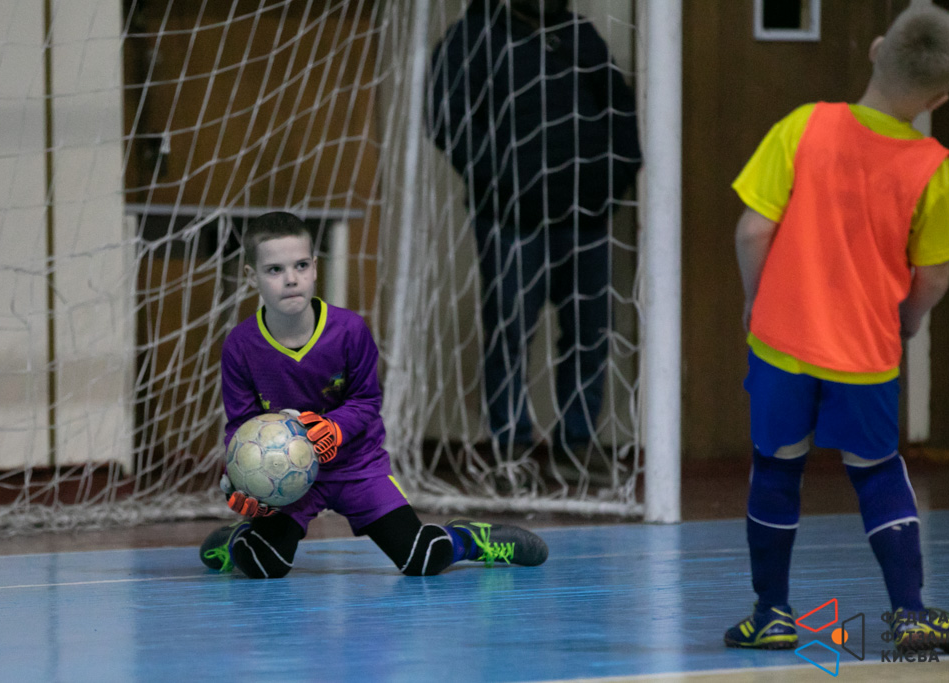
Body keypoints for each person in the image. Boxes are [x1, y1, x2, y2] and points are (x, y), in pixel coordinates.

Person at [725, 6, 949, 654]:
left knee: (776, 467)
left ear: (875, 50)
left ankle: (771, 613)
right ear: (939, 98)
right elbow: (934, 276)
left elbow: (753, 230)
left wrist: (755, 299)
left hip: (782, 344)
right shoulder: (931, 167)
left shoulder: (804, 125)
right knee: (877, 472)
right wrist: (908, 321)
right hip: (865, 352)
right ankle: (910, 613)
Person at [199, 211, 548, 578]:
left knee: (422, 558)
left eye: (301, 265)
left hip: (356, 466)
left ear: (315, 267)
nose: (291, 279)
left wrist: (334, 429)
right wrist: (242, 478)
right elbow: (242, 425)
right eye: (274, 270)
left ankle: (469, 538)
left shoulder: (349, 330)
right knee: (262, 565)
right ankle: (236, 540)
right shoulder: (240, 345)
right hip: (287, 475)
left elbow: (366, 401)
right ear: (251, 276)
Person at [428, 0, 642, 469]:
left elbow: (621, 111)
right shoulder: (473, 37)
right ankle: (510, 447)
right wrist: (503, 179)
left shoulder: (580, 35)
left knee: (589, 334)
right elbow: (447, 117)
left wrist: (611, 180)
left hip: (586, 216)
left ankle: (577, 445)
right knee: (509, 333)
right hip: (510, 220)